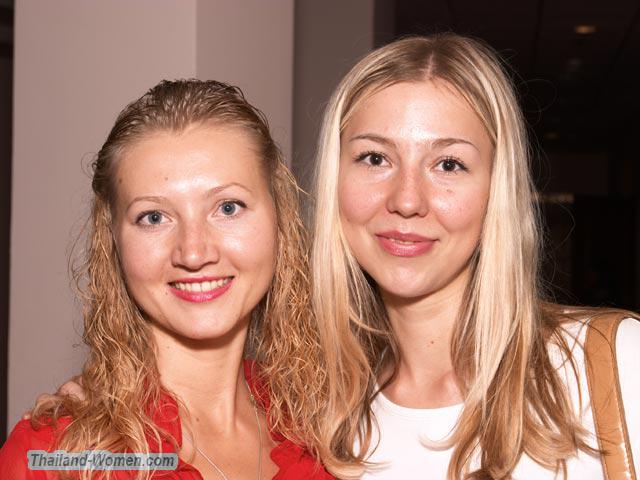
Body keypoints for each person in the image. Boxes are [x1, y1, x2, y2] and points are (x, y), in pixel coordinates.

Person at [310, 34, 640, 479]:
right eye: (374, 158)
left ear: (495, 191)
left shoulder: (612, 362)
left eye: (448, 164)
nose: (406, 200)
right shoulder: (313, 417)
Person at [0, 79, 333, 480]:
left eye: (228, 207)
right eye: (154, 217)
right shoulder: (57, 456)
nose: (193, 253)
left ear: (281, 220)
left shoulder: (327, 427)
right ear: (113, 242)